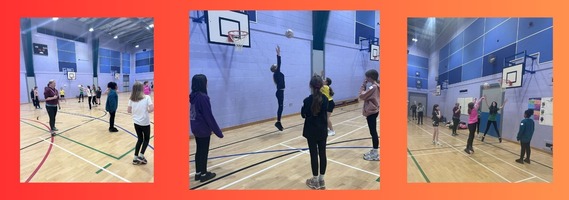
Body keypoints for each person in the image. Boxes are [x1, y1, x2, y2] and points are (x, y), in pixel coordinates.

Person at [190, 74, 223, 182]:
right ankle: (204, 175)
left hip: (195, 127)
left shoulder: (193, 96)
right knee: (204, 151)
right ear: (202, 83)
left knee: (199, 150)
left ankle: (198, 173)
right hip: (202, 128)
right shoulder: (203, 97)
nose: (207, 83)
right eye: (206, 81)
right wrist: (218, 132)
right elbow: (209, 116)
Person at [302, 75, 329, 190]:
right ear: (322, 86)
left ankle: (315, 180)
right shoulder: (325, 99)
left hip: (311, 131)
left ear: (310, 86)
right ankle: (321, 180)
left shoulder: (307, 100)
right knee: (322, 154)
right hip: (322, 130)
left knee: (314, 154)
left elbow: (303, 115)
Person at [128, 82, 154, 165]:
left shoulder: (131, 99)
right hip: (145, 122)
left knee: (139, 139)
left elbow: (128, 111)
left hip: (136, 122)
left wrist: (136, 111)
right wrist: (147, 111)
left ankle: (135, 158)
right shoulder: (147, 97)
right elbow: (152, 108)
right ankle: (141, 156)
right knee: (146, 139)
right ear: (141, 88)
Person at [360, 69, 380, 161]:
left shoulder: (373, 87)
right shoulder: (376, 86)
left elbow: (362, 96)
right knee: (373, 132)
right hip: (373, 111)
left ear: (370, 77)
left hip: (371, 111)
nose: (365, 78)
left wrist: (363, 86)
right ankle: (374, 150)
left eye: (366, 77)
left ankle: (375, 153)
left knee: (373, 132)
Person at [270, 45, 285, 131]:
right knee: (280, 107)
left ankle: (278, 122)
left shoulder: (277, 74)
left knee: (281, 107)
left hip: (280, 92)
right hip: (279, 92)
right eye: (276, 66)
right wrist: (278, 54)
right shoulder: (277, 73)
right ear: (275, 69)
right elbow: (279, 63)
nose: (277, 66)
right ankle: (278, 122)